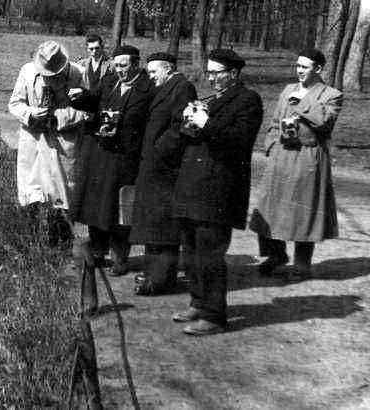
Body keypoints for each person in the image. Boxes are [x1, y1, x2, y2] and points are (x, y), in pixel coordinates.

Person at [171, 49, 263, 336]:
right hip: (194, 186)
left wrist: (204, 123)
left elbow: (238, 142)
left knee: (210, 253)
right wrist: (188, 120)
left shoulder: (248, 100)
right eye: (209, 72)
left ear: (233, 74)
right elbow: (194, 137)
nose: (210, 78)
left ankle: (214, 315)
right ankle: (198, 302)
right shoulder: (214, 99)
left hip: (219, 190)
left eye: (216, 73)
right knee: (191, 250)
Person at [249, 49, 342, 280]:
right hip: (281, 155)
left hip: (307, 158)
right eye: (298, 66)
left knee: (304, 209)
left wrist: (300, 104)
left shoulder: (331, 94)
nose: (299, 71)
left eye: (305, 67)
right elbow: (274, 120)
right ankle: (275, 254)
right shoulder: (287, 89)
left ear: (318, 69)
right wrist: (270, 143)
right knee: (270, 206)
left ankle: (302, 264)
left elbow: (324, 122)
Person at [69, 45, 154, 275]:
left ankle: (120, 258)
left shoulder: (148, 89)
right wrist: (78, 98)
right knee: (96, 205)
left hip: (126, 157)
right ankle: (97, 252)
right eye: (116, 65)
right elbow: (93, 99)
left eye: (124, 66)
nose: (120, 70)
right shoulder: (109, 81)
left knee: (120, 210)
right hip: (101, 153)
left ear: (136, 64)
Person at [9, 41, 91, 246]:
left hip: (64, 141)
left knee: (62, 190)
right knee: (31, 190)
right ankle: (31, 241)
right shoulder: (27, 72)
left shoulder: (78, 74)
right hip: (34, 140)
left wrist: (59, 118)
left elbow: (88, 110)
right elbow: (15, 103)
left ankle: (61, 242)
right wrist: (30, 114)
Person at [129, 52, 197, 296]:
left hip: (166, 168)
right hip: (154, 167)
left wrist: (159, 150)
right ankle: (153, 273)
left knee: (164, 226)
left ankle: (161, 279)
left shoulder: (183, 88)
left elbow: (183, 126)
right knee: (152, 223)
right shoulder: (166, 86)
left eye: (154, 71)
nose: (150, 76)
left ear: (168, 69)